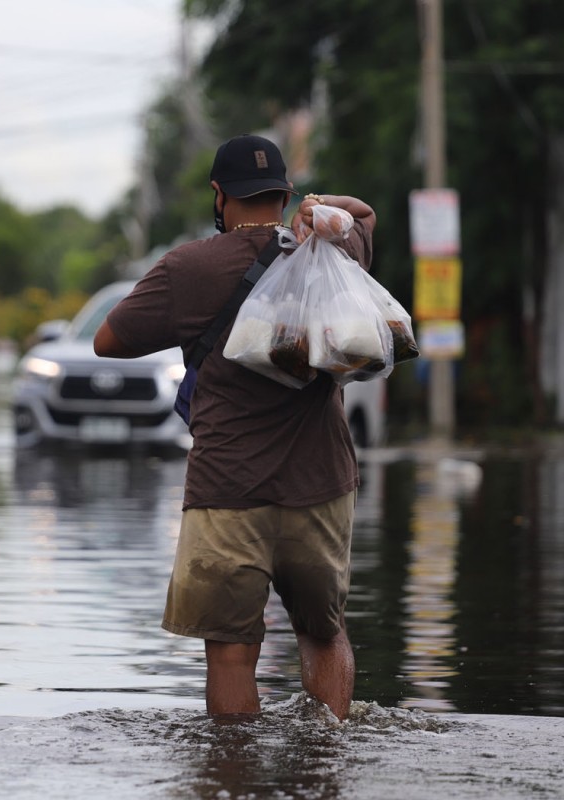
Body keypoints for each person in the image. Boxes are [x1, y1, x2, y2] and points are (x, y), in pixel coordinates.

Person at [93, 133, 376, 719]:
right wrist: (322, 210)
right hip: (321, 488)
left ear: (219, 196)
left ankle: (230, 776)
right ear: (285, 194)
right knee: (324, 636)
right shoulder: (332, 253)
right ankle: (331, 761)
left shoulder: (187, 268)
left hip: (226, 492)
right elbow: (363, 214)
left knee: (230, 653)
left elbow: (107, 341)